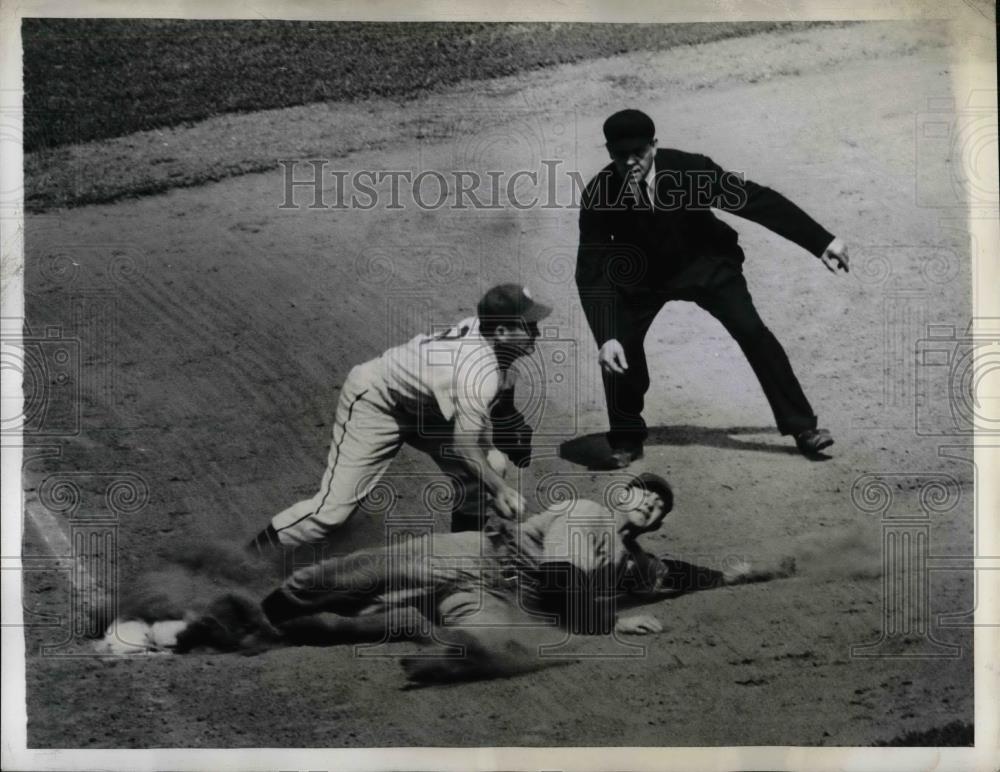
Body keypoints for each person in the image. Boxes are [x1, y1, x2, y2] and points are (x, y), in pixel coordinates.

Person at [183, 473, 794, 683]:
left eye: (661, 510)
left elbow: (677, 575)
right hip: (478, 559)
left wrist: (735, 576)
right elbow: (560, 581)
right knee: (359, 573)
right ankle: (250, 613)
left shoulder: (639, 562)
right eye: (646, 497)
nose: (652, 509)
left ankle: (437, 654)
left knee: (499, 645)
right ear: (623, 493)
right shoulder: (587, 515)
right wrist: (612, 618)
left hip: (496, 596)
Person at [576, 109, 850, 468]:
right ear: (609, 152)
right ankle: (626, 438)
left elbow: (756, 201)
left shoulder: (691, 170)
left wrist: (822, 242)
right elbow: (590, 268)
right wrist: (605, 334)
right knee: (619, 351)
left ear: (654, 146)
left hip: (705, 265)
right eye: (619, 155)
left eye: (639, 153)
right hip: (640, 279)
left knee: (752, 331)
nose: (630, 163)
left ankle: (802, 427)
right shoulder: (600, 192)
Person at [247, 283, 549, 554]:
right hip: (378, 401)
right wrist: (501, 490)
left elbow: (502, 379)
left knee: (488, 468)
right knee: (330, 513)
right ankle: (245, 560)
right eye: (530, 326)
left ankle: (463, 561)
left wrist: (510, 419)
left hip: (427, 407)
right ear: (502, 332)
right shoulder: (474, 372)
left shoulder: (490, 338)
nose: (537, 332)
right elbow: (464, 446)